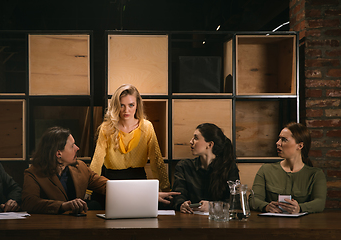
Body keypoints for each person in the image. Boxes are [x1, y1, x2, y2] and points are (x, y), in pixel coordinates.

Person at [21, 126, 180, 214]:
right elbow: (30, 203)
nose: (77, 148)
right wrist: (63, 206)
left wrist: (148, 194)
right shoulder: (33, 173)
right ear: (58, 154)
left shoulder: (81, 167)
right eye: (72, 145)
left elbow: (107, 186)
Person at [89, 84, 170, 192]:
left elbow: (157, 161)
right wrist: (88, 190)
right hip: (111, 181)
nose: (126, 110)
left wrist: (166, 189)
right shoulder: (106, 128)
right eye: (122, 105)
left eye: (131, 105)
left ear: (137, 105)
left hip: (138, 180)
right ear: (116, 106)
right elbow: (97, 161)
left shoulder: (147, 127)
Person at [250, 122, 327, 214]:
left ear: (300, 146)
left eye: (284, 140)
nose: (278, 143)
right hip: (271, 224)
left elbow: (320, 203)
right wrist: (266, 207)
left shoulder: (315, 174)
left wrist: (300, 208)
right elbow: (253, 200)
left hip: (303, 225)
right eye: (279, 139)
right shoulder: (266, 170)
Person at [172, 123, 239, 214]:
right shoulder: (184, 166)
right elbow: (177, 195)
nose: (191, 142)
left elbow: (235, 201)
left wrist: (212, 206)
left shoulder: (228, 167)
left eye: (196, 138)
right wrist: (181, 205)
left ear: (210, 144)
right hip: (190, 220)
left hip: (219, 222)